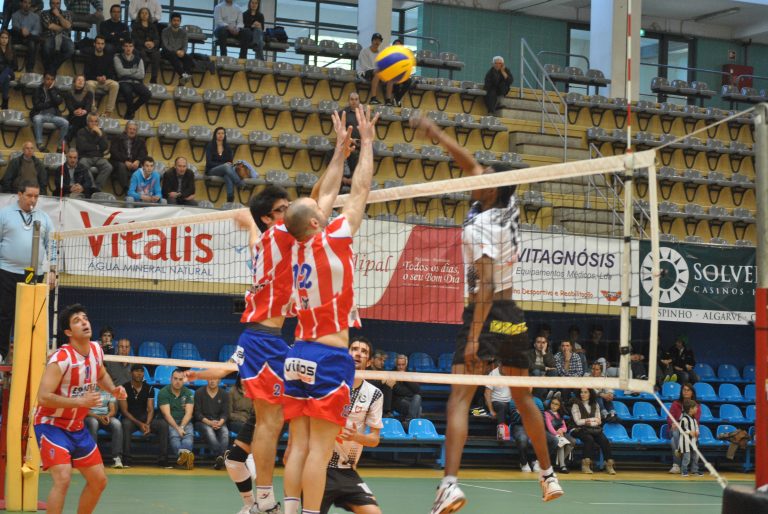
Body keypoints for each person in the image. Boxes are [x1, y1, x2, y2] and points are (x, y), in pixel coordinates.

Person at [185, 112, 353, 514]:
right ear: (271, 218)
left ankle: (266, 501)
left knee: (275, 424)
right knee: (270, 424)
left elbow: (280, 208)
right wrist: (339, 155)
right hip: (263, 339)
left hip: (267, 338)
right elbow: (318, 197)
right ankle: (263, 501)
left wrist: (338, 155)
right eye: (282, 208)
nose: (289, 211)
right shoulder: (282, 234)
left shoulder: (265, 238)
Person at [408, 114, 563, 511]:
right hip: (514, 313)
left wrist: (476, 335)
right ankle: (547, 475)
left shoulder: (480, 227)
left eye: (484, 176)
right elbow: (470, 164)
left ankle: (449, 485)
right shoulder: (505, 202)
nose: (475, 178)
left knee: (459, 398)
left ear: (491, 189)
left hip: (486, 310)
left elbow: (486, 286)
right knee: (524, 398)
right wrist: (436, 134)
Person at [280, 104, 374, 514]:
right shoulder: (333, 237)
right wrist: (366, 145)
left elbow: (323, 196)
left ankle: (288, 508)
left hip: (297, 351)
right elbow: (360, 192)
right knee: (320, 449)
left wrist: (339, 151)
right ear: (317, 223)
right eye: (318, 210)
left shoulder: (297, 245)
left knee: (297, 445)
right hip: (329, 355)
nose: (322, 205)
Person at [34, 304, 127, 514]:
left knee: (99, 481)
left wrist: (114, 390)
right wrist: (80, 402)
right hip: (51, 425)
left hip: (76, 427)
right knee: (63, 478)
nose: (84, 322)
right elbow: (43, 397)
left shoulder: (95, 349)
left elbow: (101, 373)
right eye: (77, 321)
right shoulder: (60, 359)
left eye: (85, 318)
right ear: (68, 332)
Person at [319, 337, 383, 514]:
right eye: (354, 349)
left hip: (347, 471)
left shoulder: (375, 394)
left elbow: (374, 440)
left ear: (369, 361)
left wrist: (356, 436)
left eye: (364, 352)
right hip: (318, 466)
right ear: (346, 354)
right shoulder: (327, 384)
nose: (358, 353)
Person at [0, 181, 55, 361]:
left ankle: (29, 356)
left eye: (36, 196)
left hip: (33, 273)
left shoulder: (44, 218)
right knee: (5, 314)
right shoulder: (5, 214)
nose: (33, 199)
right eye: (29, 195)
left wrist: (52, 271)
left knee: (30, 317)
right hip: (7, 271)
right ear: (20, 194)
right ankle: (1, 353)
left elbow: (52, 245)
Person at [118, 364, 168, 468]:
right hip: (131, 419)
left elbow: (150, 409)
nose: (139, 373)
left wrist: (148, 424)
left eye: (141, 371)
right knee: (125, 424)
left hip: (145, 419)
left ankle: (163, 459)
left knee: (163, 424)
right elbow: (124, 411)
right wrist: (140, 424)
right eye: (136, 371)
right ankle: (126, 459)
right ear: (131, 373)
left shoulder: (149, 389)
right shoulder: (123, 388)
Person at [570, 388, 616, 475]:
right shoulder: (575, 405)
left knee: (604, 440)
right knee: (589, 439)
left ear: (590, 394)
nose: (582, 394)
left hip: (592, 429)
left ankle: (609, 465)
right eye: (581, 392)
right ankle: (585, 465)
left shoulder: (596, 404)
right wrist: (593, 420)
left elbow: (599, 421)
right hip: (577, 429)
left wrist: (588, 422)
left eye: (585, 392)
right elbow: (578, 422)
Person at [157, 368, 195, 470]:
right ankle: (187, 458)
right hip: (171, 421)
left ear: (184, 380)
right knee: (174, 436)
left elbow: (189, 413)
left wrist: (182, 426)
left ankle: (183, 458)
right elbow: (167, 415)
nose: (178, 382)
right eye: (175, 379)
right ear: (171, 379)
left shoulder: (188, 393)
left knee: (189, 436)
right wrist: (178, 428)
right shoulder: (163, 392)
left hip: (185, 421)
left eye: (180, 379)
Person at [84, 386, 124, 469]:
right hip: (91, 416)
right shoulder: (88, 390)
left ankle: (117, 458)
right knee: (93, 423)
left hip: (105, 416)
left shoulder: (109, 391)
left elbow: (112, 410)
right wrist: (99, 417)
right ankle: (92, 458)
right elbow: (85, 410)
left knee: (117, 424)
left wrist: (107, 416)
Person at [194, 378, 230, 470]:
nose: (212, 381)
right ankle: (220, 456)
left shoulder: (224, 394)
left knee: (225, 432)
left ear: (219, 380)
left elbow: (225, 413)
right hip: (203, 422)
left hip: (219, 422)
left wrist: (220, 422)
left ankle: (219, 459)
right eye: (210, 378)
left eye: (215, 378)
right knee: (209, 432)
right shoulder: (199, 393)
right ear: (207, 379)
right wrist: (209, 422)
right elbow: (197, 413)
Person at [667, 382, 700, 474]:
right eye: (684, 390)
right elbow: (669, 417)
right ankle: (683, 453)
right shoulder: (675, 404)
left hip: (689, 432)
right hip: (675, 430)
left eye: (688, 390)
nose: (685, 392)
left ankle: (676, 465)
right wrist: (673, 423)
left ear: (692, 392)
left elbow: (695, 420)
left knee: (673, 441)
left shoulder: (696, 405)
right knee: (676, 431)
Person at [205, 126, 244, 204]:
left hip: (225, 170)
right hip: (212, 170)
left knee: (227, 175)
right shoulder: (210, 146)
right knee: (226, 167)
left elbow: (230, 162)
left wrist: (226, 165)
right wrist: (223, 165)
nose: (221, 135)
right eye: (218, 133)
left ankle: (230, 198)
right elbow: (209, 163)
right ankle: (239, 183)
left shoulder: (228, 147)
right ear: (215, 135)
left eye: (222, 133)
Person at [30, 72, 68, 152]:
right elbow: (37, 106)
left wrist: (51, 90)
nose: (49, 81)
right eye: (47, 79)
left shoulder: (56, 90)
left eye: (52, 79)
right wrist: (50, 104)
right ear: (43, 79)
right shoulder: (37, 90)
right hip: (40, 114)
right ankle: (39, 144)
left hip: (53, 116)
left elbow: (58, 101)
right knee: (37, 119)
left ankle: (60, 147)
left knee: (65, 123)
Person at [114, 39, 151, 120]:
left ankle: (131, 110)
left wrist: (127, 72)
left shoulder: (139, 59)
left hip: (137, 82)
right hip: (123, 81)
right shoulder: (117, 57)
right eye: (126, 46)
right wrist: (134, 71)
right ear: (123, 47)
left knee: (147, 94)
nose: (128, 48)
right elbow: (120, 72)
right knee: (127, 91)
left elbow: (141, 75)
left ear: (133, 47)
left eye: (130, 46)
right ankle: (130, 113)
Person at [84, 35, 119, 118]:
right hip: (93, 80)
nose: (100, 46)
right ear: (94, 44)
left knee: (115, 85)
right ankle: (93, 110)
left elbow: (111, 72)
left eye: (102, 44)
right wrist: (97, 78)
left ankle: (108, 112)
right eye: (98, 43)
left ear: (104, 45)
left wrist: (105, 77)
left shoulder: (108, 56)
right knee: (88, 84)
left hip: (105, 81)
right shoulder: (89, 56)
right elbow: (87, 73)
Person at [75, 113, 112, 190]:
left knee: (108, 167)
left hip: (99, 157)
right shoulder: (81, 132)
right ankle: (92, 186)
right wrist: (97, 147)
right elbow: (82, 147)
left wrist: (100, 134)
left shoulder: (101, 132)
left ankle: (97, 187)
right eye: (91, 121)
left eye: (96, 121)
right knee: (82, 164)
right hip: (85, 157)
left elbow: (105, 147)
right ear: (87, 122)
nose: (94, 123)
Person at [108, 120, 147, 194]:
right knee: (121, 166)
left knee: (144, 168)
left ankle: (142, 191)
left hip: (134, 163)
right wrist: (125, 161)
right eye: (130, 129)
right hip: (118, 162)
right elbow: (113, 152)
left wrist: (138, 161)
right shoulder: (117, 138)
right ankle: (127, 189)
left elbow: (144, 153)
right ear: (126, 129)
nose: (132, 131)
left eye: (134, 129)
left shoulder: (141, 141)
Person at [356, 33, 393, 105]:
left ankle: (388, 100)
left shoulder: (380, 54)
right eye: (375, 40)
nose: (377, 42)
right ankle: (373, 98)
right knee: (378, 72)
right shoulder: (364, 51)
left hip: (376, 72)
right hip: (364, 72)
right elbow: (364, 66)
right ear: (372, 41)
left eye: (379, 41)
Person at [39, 0, 73, 76]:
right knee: (46, 46)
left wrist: (59, 15)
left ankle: (51, 70)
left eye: (58, 3)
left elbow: (68, 26)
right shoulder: (44, 13)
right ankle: (51, 72)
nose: (55, 5)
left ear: (60, 4)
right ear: (50, 4)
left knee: (70, 49)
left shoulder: (67, 13)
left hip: (64, 37)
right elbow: (49, 26)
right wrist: (63, 27)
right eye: (53, 3)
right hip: (49, 36)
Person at [161, 13, 195, 85]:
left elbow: (185, 45)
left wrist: (183, 51)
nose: (176, 22)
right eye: (174, 20)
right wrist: (176, 52)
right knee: (172, 55)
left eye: (178, 20)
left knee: (188, 58)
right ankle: (184, 75)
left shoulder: (184, 32)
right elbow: (165, 45)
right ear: (170, 21)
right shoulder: (165, 31)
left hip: (179, 52)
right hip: (167, 52)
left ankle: (181, 83)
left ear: (180, 22)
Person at [544, 397, 574, 473]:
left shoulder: (560, 414)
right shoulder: (546, 413)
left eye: (556, 404)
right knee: (561, 443)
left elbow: (564, 427)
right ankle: (562, 466)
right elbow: (549, 427)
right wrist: (557, 434)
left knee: (572, 441)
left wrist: (561, 430)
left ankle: (559, 462)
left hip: (560, 433)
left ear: (559, 406)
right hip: (550, 433)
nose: (554, 405)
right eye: (552, 403)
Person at [131, 7, 160, 84]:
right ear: (139, 15)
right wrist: (144, 43)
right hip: (140, 47)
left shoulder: (153, 26)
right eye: (142, 13)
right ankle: (140, 78)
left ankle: (153, 78)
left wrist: (153, 43)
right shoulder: (135, 25)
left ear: (149, 15)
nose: (144, 15)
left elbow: (157, 38)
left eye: (146, 13)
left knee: (156, 54)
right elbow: (134, 38)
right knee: (143, 55)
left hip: (151, 48)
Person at [10, 0, 40, 72]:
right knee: (12, 34)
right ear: (21, 3)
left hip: (30, 37)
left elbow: (37, 30)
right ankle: (14, 66)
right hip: (18, 36)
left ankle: (29, 69)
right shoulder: (15, 15)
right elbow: (15, 27)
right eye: (25, 2)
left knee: (33, 42)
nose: (27, 5)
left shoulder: (35, 17)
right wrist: (21, 30)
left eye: (29, 3)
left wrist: (28, 33)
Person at [392, 354, 422, 425]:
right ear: (396, 365)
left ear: (406, 364)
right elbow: (398, 391)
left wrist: (404, 378)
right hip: (398, 401)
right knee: (419, 409)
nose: (401, 367)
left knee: (417, 397)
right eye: (399, 365)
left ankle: (409, 421)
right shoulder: (392, 373)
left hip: (410, 400)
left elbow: (418, 390)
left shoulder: (410, 373)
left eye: (403, 365)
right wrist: (410, 391)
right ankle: (411, 423)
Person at [484, 359, 512, 432]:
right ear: (499, 364)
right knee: (502, 406)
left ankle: (515, 432)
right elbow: (487, 394)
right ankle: (501, 433)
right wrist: (491, 410)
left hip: (510, 401)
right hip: (496, 401)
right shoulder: (493, 374)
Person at [64, 74, 94, 143]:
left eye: (82, 80)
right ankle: (82, 144)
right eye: (79, 80)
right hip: (73, 116)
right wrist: (75, 111)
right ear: (74, 82)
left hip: (85, 116)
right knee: (79, 120)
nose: (81, 82)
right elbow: (69, 106)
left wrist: (84, 111)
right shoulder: (69, 93)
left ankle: (67, 140)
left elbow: (88, 106)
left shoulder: (89, 93)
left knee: (81, 119)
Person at [678, 399, 703, 477]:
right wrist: (689, 432)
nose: (697, 409)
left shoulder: (694, 419)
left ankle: (695, 470)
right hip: (686, 442)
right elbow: (681, 428)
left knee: (696, 456)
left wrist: (697, 432)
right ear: (690, 409)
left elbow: (696, 427)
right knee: (687, 457)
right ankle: (684, 470)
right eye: (695, 407)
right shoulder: (684, 419)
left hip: (693, 441)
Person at [367, 347, 394, 417]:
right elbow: (365, 385)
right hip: (366, 401)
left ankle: (386, 412)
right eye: (380, 360)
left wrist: (392, 384)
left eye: (384, 361)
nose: (382, 363)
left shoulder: (383, 371)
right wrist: (381, 382)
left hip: (380, 405)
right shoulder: (366, 370)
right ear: (372, 359)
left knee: (388, 384)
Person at [0, 30, 15, 109]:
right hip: (2, 74)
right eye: (2, 37)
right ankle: (5, 101)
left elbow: (15, 66)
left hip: (10, 72)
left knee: (7, 69)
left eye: (6, 38)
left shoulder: (12, 50)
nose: (4, 39)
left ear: (8, 39)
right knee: (6, 78)